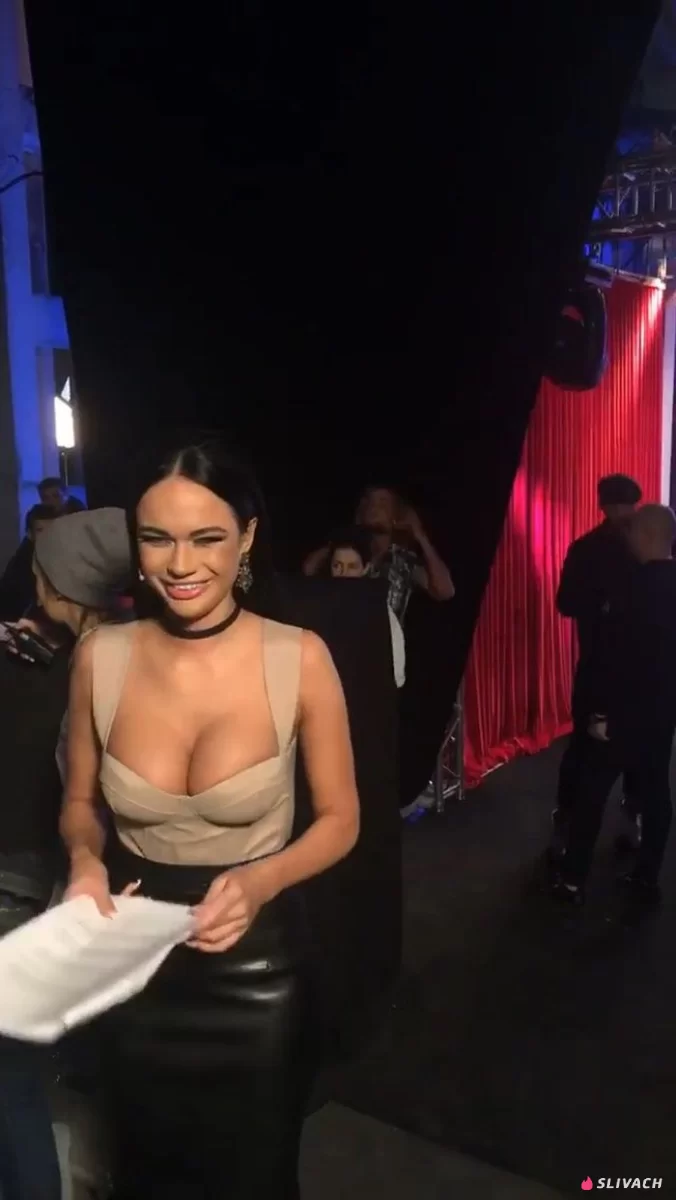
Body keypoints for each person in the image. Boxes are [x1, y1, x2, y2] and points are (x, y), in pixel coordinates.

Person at [60, 441, 360, 1199]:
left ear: (247, 537)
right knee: (142, 1179)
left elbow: (341, 819)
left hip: (259, 977)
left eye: (207, 537)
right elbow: (79, 804)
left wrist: (262, 881)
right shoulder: (100, 656)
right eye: (157, 538)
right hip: (135, 969)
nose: (180, 563)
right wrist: (86, 863)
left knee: (254, 1181)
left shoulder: (300, 657)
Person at [0, 506, 131, 1200]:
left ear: (63, 586)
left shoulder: (80, 667)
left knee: (11, 1076)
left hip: (31, 883)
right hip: (64, 888)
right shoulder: (102, 654)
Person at [555, 505, 676, 907]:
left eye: (633, 532)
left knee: (591, 794)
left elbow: (613, 659)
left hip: (622, 713)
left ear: (646, 536)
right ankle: (646, 877)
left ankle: (573, 881)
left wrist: (601, 714)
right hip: (662, 713)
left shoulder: (630, 590)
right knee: (657, 794)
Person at [552, 474, 642, 855]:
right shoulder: (586, 549)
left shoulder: (644, 546)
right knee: (583, 747)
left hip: (636, 667)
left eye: (630, 506)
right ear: (604, 507)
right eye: (618, 506)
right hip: (598, 664)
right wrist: (603, 605)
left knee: (638, 746)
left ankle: (632, 815)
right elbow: (565, 602)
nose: (625, 513)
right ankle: (566, 818)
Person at [303, 485, 454, 621]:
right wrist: (351, 533)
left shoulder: (403, 560)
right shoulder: (349, 552)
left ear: (396, 515)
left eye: (382, 503)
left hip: (386, 640)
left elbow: (445, 591)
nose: (374, 508)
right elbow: (309, 569)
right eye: (370, 502)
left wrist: (419, 535)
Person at [329, 526, 406, 687]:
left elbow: (395, 678)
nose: (343, 574)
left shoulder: (382, 615)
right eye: (337, 566)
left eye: (352, 567)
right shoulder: (316, 607)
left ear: (365, 568)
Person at [0, 504, 59, 621]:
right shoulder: (21, 565)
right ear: (30, 534)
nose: (47, 535)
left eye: (51, 530)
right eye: (40, 530)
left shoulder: (64, 556)